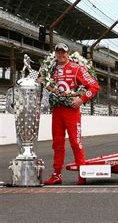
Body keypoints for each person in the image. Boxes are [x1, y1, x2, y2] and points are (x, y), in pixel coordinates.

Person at [43, 43, 100, 185]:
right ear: (55, 53)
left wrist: (81, 99)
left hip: (72, 111)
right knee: (57, 143)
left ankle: (82, 174)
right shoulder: (51, 68)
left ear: (68, 53)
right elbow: (45, 83)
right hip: (57, 110)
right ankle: (56, 175)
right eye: (58, 52)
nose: (61, 55)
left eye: (63, 52)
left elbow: (94, 86)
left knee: (76, 142)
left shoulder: (77, 68)